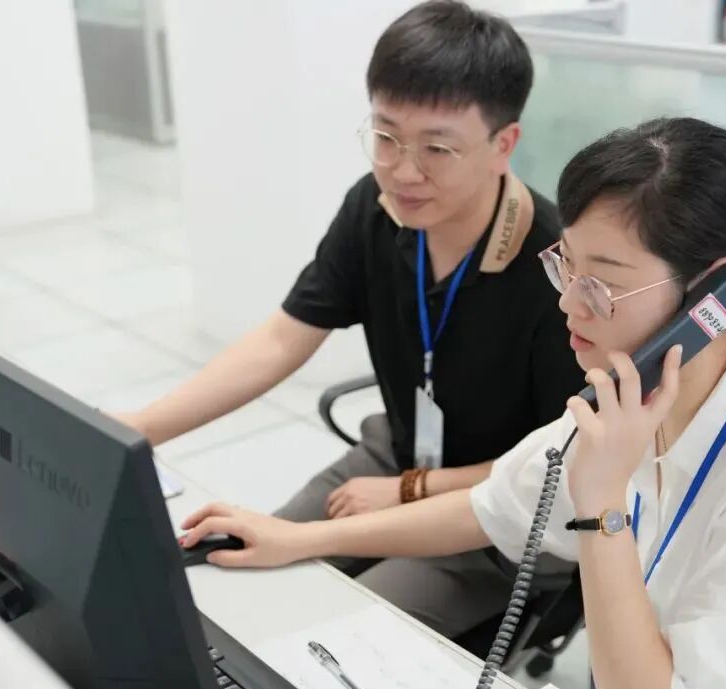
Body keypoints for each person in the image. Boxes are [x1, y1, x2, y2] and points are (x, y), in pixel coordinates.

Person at [177, 117, 726, 689]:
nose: (568, 305)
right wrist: (302, 538)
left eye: (602, 285)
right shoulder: (629, 398)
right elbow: (489, 507)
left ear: (713, 296)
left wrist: (601, 503)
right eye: (566, 267)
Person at [115, 1, 583, 636]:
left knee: (328, 633)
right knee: (231, 573)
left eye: (437, 148)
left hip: (495, 516)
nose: (403, 171)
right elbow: (281, 340)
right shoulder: (375, 209)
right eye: (386, 137)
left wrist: (414, 490)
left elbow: (557, 469)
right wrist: (137, 430)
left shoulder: (558, 270)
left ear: (504, 144)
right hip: (393, 458)